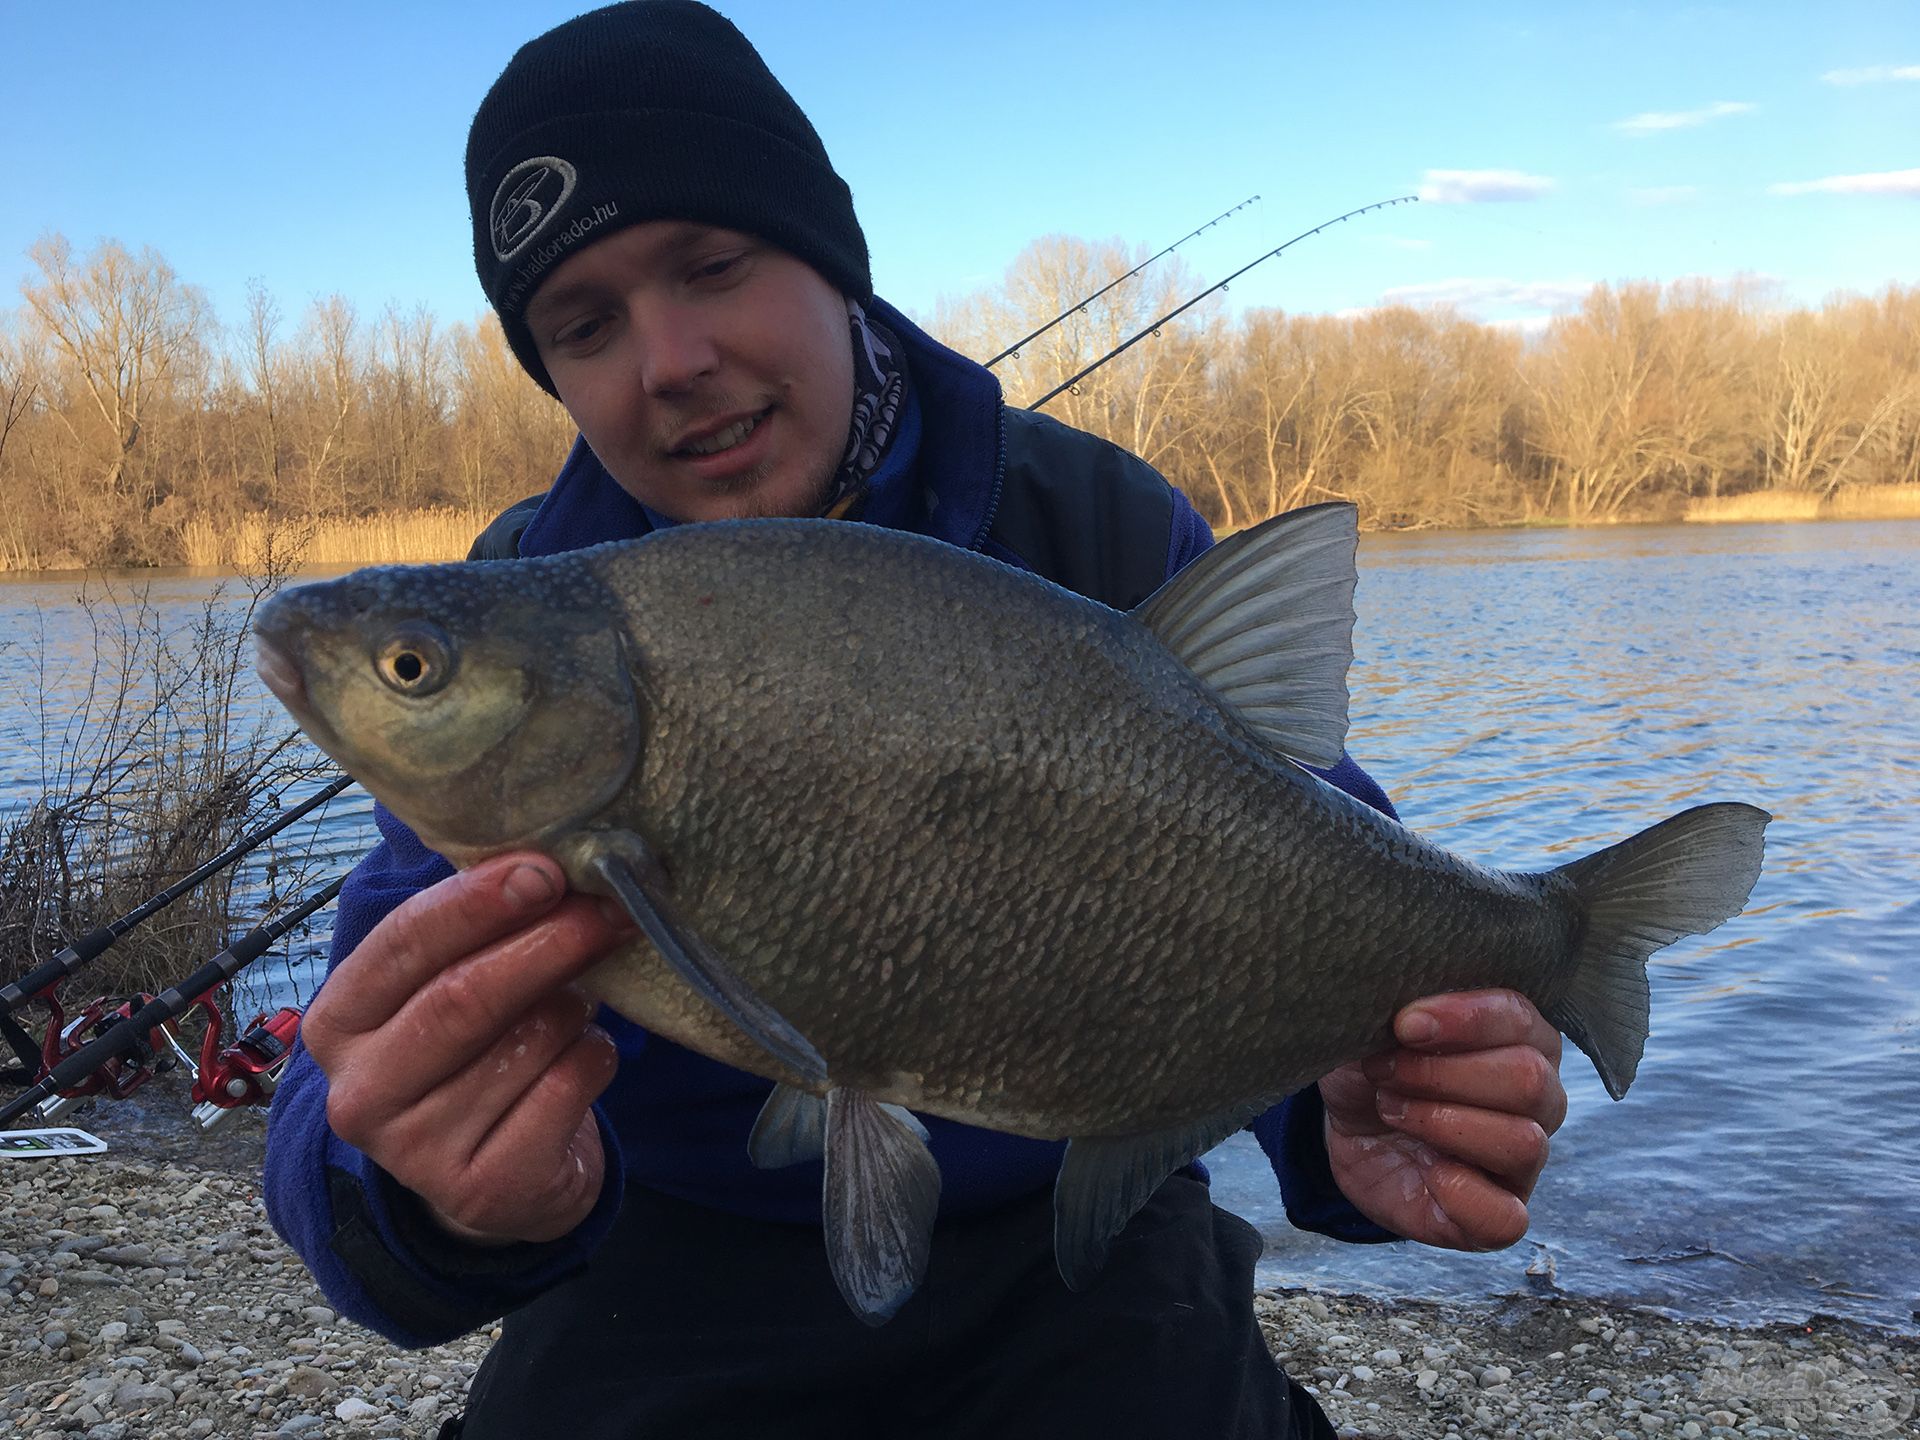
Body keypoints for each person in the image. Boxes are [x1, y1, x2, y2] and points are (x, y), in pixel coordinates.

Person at [262, 5, 1569, 1436]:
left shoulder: (1102, 524)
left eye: (713, 262)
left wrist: (1351, 1103)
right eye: (584, 324)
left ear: (830, 260)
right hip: (664, 1260)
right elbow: (338, 1083)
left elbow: (1301, 872)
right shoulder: (520, 621)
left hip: (1081, 1240)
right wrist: (418, 1188)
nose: (671, 357)